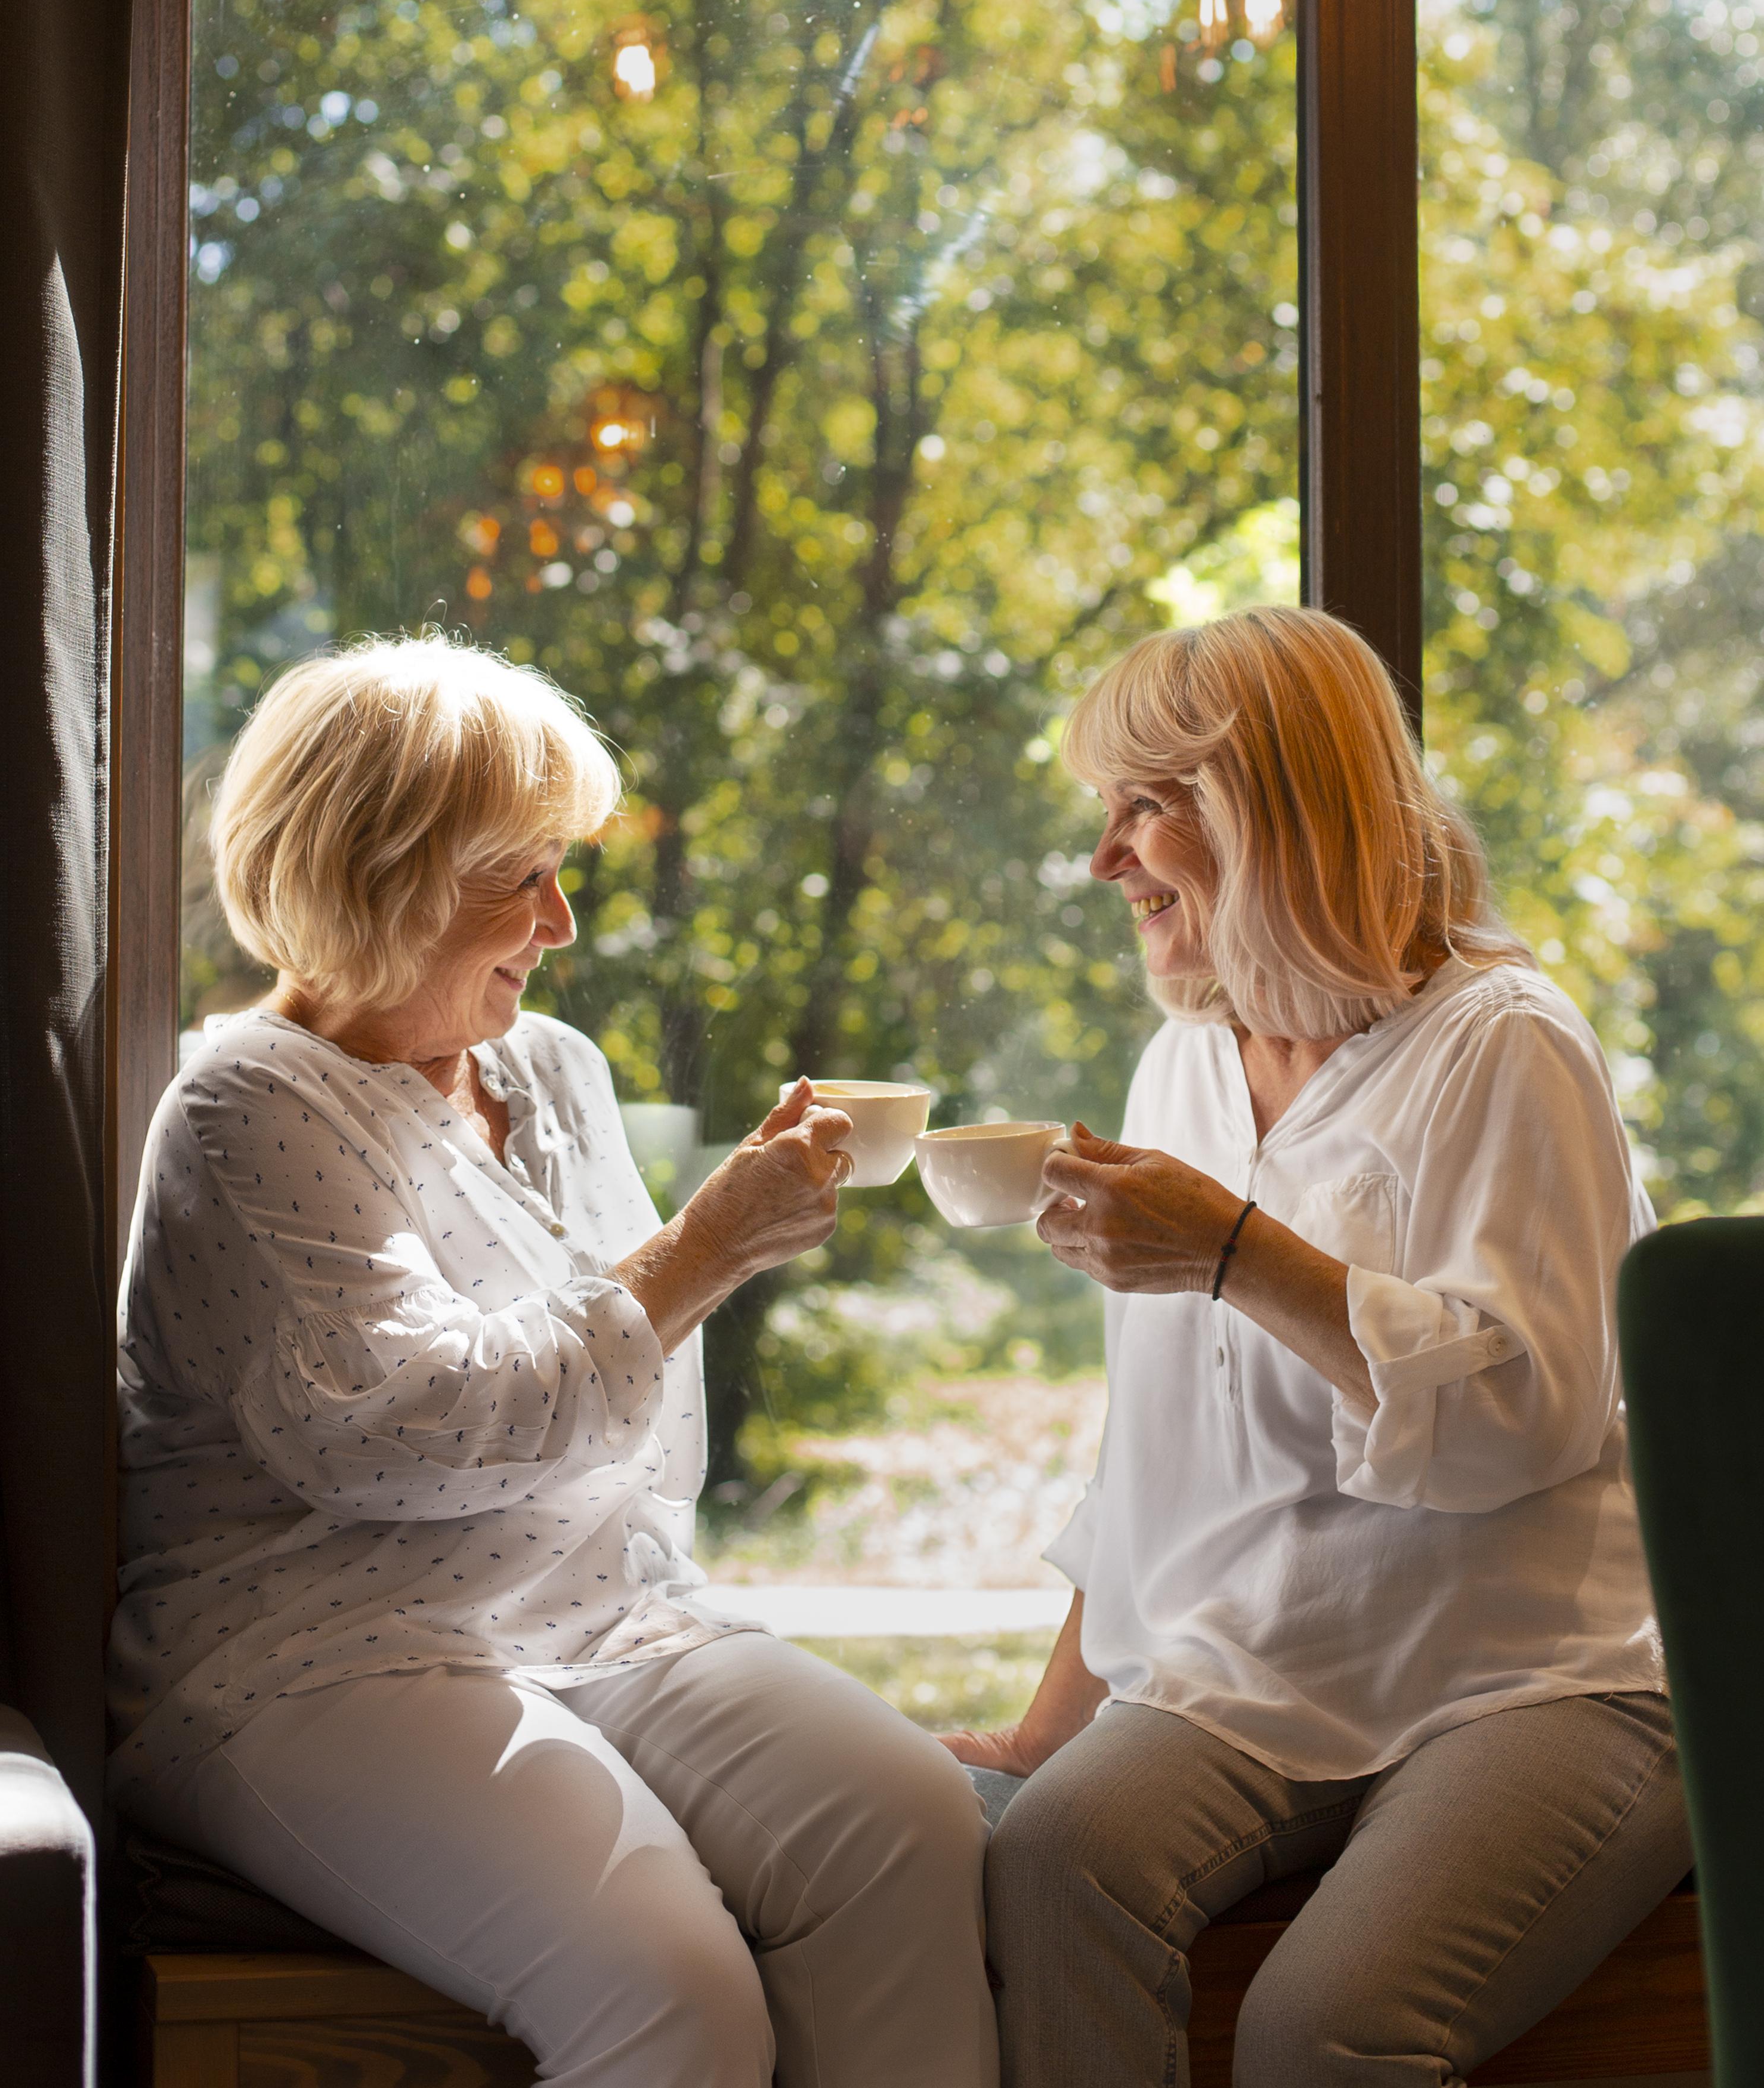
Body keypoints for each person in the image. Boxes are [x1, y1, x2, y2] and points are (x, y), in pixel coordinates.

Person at [109, 633, 997, 2088]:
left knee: (908, 1819)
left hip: (597, 1615)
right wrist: (704, 1249)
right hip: (319, 1652)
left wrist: (705, 1252)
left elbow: (634, 1425)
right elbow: (394, 1434)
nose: (564, 920)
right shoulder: (244, 1109)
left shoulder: (555, 1072)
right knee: (672, 1990)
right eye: (520, 876)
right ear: (378, 874)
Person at [943, 607, 1687, 2088]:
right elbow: (1155, 1456)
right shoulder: (1181, 1068)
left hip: (1539, 1675)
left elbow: (1527, 1422)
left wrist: (1235, 1256)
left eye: (1144, 807)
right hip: (1269, 1668)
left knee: (1319, 2030)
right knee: (1052, 1862)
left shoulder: (1502, 1043)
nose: (1104, 861)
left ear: (1274, 811)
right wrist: (1044, 1734)